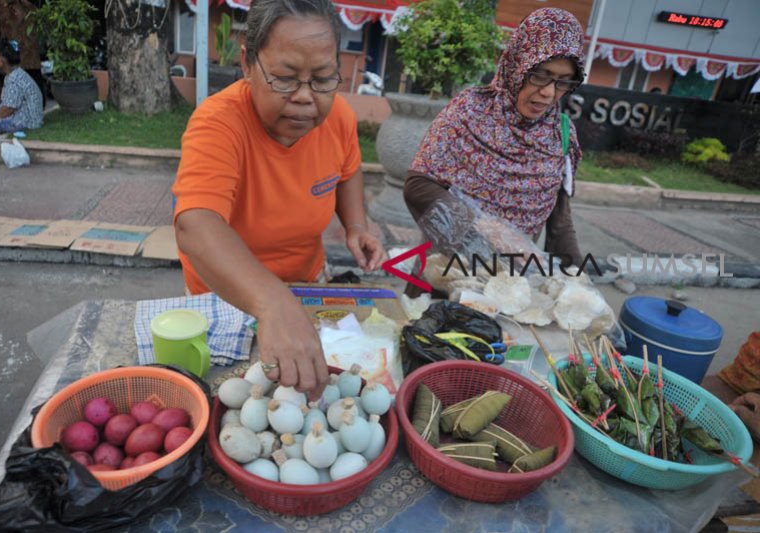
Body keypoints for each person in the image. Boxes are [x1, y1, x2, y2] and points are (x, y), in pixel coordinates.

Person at [173, 0, 385, 397]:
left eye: (323, 78)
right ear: (247, 63)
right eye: (285, 78)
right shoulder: (218, 123)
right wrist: (273, 304)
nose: (306, 97)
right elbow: (195, 224)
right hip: (226, 299)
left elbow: (348, 169)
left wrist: (356, 225)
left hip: (305, 287)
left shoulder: (338, 118)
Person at [404, 8, 586, 272]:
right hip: (445, 275)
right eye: (540, 75)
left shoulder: (561, 134)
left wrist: (579, 282)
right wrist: (489, 229)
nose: (548, 93)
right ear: (517, 65)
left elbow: (560, 223)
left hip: (510, 289)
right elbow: (418, 185)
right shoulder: (469, 111)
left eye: (562, 82)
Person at [0, 0, 44, 107]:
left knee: (37, 99)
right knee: (13, 100)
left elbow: (39, 23)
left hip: (30, 57)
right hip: (11, 58)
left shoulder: (27, 4)